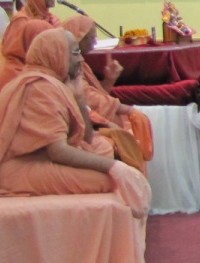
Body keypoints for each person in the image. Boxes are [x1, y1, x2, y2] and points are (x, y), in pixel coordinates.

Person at [0, 28, 147, 211]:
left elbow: (85, 137)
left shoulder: (54, 81)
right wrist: (115, 168)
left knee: (103, 149)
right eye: (75, 53)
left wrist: (78, 98)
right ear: (56, 54)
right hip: (15, 167)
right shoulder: (40, 87)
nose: (81, 59)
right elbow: (58, 151)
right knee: (109, 180)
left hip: (42, 157)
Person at [60, 15, 154, 173]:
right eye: (92, 38)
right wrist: (125, 110)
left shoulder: (79, 63)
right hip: (75, 137)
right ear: (78, 38)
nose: (95, 43)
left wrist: (109, 80)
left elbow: (91, 100)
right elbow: (87, 100)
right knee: (115, 145)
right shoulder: (63, 67)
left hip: (88, 128)